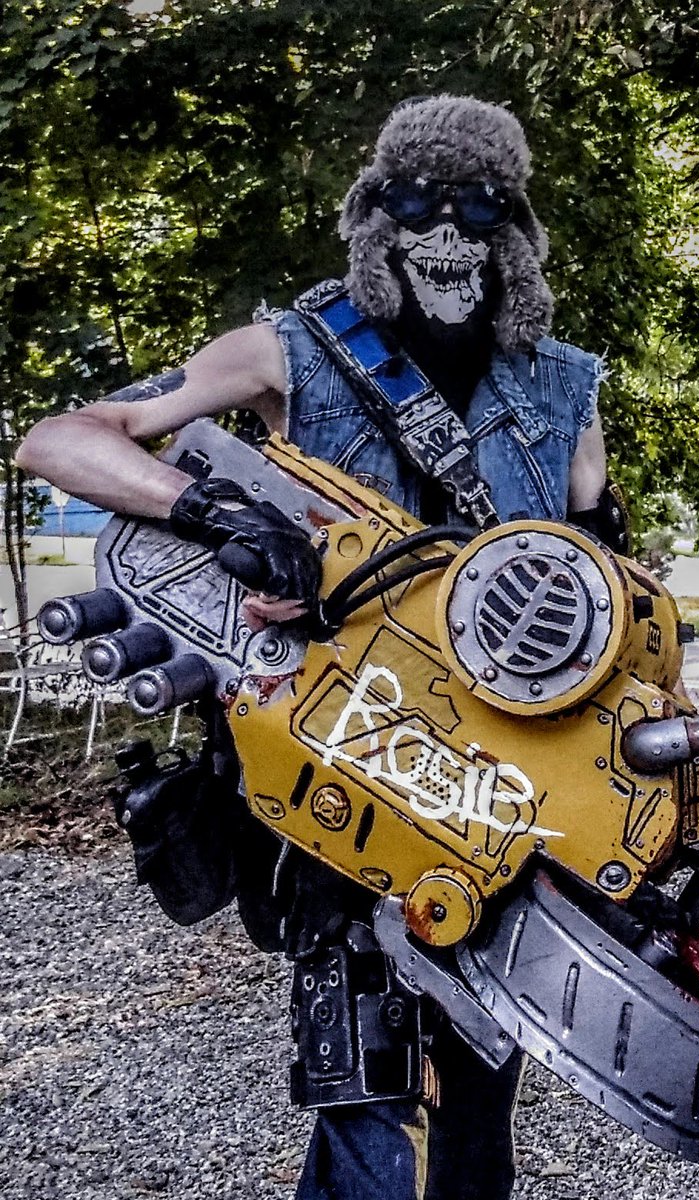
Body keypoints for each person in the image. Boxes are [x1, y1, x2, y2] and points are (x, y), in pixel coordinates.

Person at [17, 94, 621, 1200]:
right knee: (369, 1083)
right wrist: (213, 514)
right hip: (335, 772)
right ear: (374, 210)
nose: (448, 229)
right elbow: (57, 439)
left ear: (516, 224)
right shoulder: (288, 352)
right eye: (420, 200)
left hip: (504, 797)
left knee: (477, 1102)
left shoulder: (564, 386)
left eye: (479, 203)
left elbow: (605, 587)